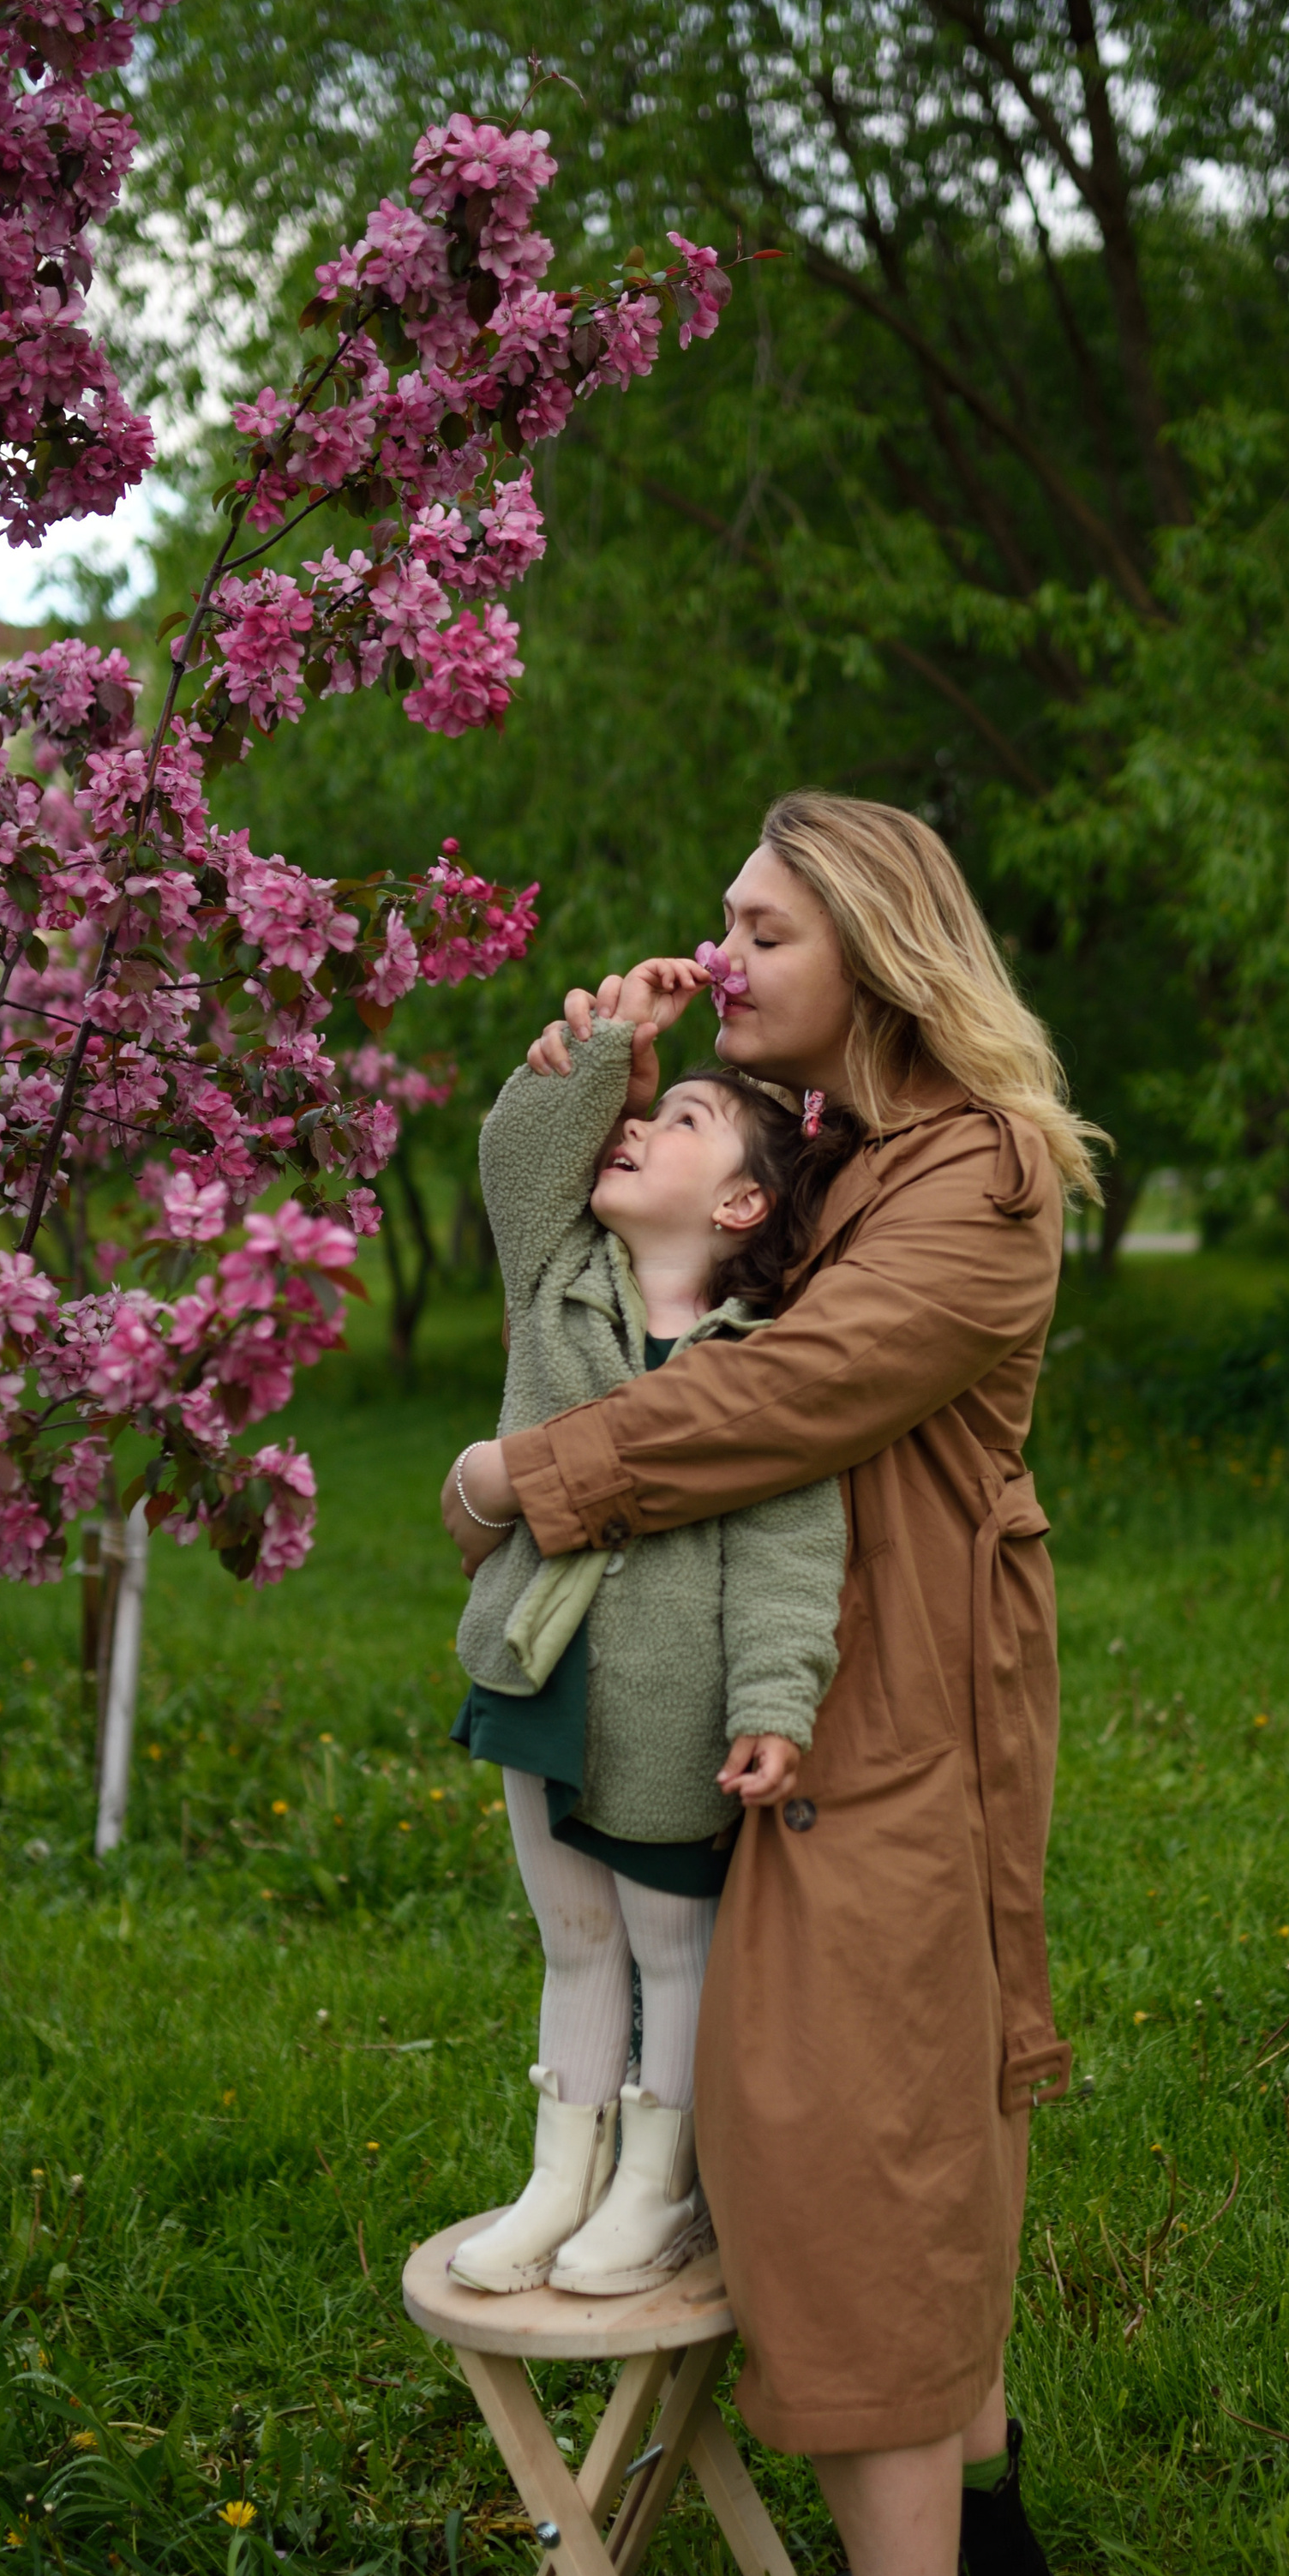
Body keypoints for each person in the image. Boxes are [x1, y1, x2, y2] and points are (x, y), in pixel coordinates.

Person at [443, 790, 1100, 2576]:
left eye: (762, 925)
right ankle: (986, 2546)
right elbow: (608, 1242)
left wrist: (530, 1478)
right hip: (790, 1711)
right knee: (893, 2131)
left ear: (877, 950)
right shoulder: (832, 1156)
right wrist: (597, 1069)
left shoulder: (973, 1181)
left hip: (888, 1728)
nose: (720, 949)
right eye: (719, 919)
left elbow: (790, 1393)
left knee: (850, 2159)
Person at [447, 974, 861, 2298]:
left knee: (673, 1950)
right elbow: (518, 1152)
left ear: (741, 1204)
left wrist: (775, 1703)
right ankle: (559, 2177)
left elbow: (791, 1558)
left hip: (673, 1714)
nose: (638, 1128)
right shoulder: (560, 1280)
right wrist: (616, 1048)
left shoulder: (763, 1366)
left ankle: (656, 2186)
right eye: (643, 1116)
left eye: (681, 1121)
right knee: (576, 1939)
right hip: (541, 1670)